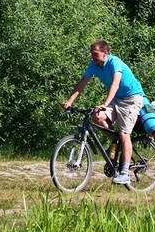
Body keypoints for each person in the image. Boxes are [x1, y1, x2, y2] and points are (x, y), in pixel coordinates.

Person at [61, 40, 145, 185]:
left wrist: (105, 104)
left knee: (125, 134)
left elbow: (115, 83)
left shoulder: (114, 62)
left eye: (95, 54)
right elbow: (82, 82)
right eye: (91, 54)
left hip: (132, 99)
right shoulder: (93, 65)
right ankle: (115, 141)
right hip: (116, 99)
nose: (92, 57)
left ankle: (124, 173)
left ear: (105, 53)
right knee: (96, 116)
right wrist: (69, 101)